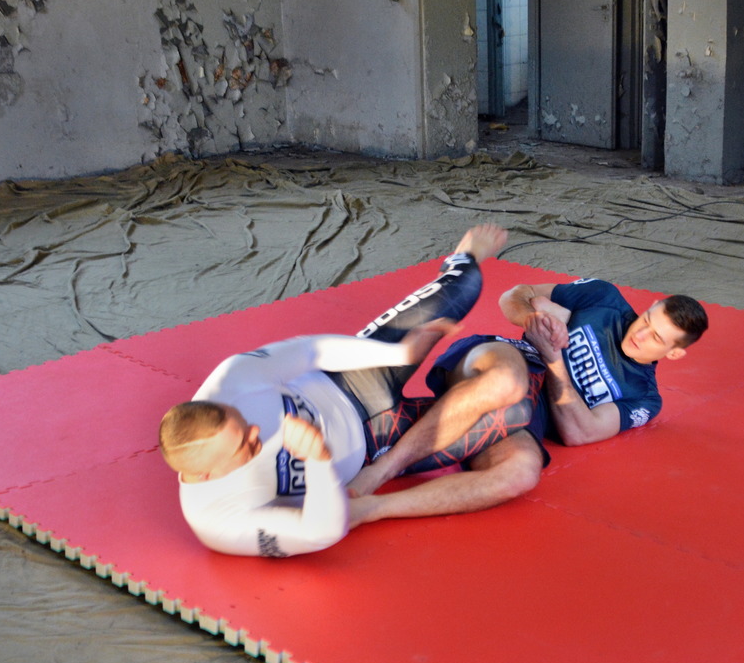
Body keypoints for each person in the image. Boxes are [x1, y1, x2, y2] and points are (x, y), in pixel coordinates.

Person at [158, 224, 538, 558]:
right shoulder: (217, 521)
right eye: (244, 443)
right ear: (205, 475)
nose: (255, 431)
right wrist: (317, 461)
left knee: (464, 288)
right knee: (516, 426)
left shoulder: (231, 381)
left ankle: (462, 257)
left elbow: (311, 351)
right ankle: (441, 409)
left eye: (244, 425)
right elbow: (320, 532)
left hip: (350, 379)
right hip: (379, 445)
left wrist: (398, 354)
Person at [347, 278, 708, 523]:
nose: (640, 333)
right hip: (509, 358)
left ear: (674, 353)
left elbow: (580, 432)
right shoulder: (604, 297)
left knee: (519, 475)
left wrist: (554, 359)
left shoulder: (644, 397)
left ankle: (371, 509)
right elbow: (515, 294)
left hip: (527, 418)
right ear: (650, 306)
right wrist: (534, 317)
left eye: (656, 337)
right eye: (646, 319)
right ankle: (382, 470)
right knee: (507, 383)